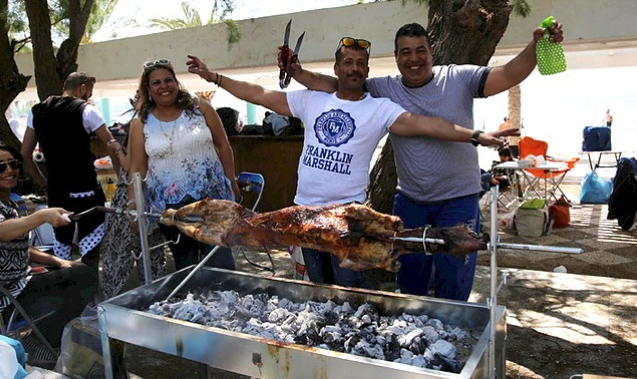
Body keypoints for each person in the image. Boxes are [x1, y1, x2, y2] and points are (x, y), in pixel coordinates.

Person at [187, 37, 514, 288]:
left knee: (350, 294)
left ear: (367, 71)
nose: (354, 68)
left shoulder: (380, 108)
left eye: (360, 63)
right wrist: (214, 76)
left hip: (347, 220)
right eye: (348, 62)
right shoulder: (310, 99)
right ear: (337, 69)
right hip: (304, 214)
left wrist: (475, 136)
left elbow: (426, 124)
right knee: (315, 291)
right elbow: (258, 94)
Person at [283, 21, 563, 300]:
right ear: (396, 57)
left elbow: (508, 74)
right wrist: (297, 72)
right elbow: (337, 84)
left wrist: (534, 47)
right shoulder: (384, 89)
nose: (413, 58)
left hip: (459, 200)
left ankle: (452, 336)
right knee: (410, 280)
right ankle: (413, 338)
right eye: (405, 52)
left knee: (454, 278)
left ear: (432, 52)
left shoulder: (458, 78)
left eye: (420, 51)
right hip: (410, 202)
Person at [0, 139, 97, 347]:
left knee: (75, 270)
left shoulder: (5, 201)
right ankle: (41, 344)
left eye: (13, 164)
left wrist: (60, 262)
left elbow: (19, 247)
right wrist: (42, 217)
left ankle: (48, 340)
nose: (9, 171)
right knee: (85, 278)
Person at [127, 59, 241, 271]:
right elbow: (136, 169)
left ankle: (227, 298)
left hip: (212, 199)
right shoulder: (141, 123)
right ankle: (193, 303)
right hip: (171, 209)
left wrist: (231, 180)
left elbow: (223, 145)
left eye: (168, 80)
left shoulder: (201, 108)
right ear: (148, 90)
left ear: (176, 82)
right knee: (186, 266)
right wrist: (134, 205)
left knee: (219, 262)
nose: (164, 86)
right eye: (156, 83)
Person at [21, 72, 120, 270]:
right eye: (89, 92)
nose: (89, 97)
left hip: (57, 191)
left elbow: (24, 154)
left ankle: (65, 294)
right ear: (83, 89)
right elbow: (111, 145)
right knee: (90, 243)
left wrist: (44, 184)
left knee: (61, 244)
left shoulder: (37, 111)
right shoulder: (86, 110)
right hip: (86, 189)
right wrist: (121, 178)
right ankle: (89, 295)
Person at [100, 92, 167, 299]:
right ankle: (156, 296)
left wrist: (117, 150)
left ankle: (112, 301)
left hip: (134, 194)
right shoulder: (159, 125)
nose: (135, 99)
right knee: (152, 250)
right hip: (152, 195)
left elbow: (130, 166)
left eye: (139, 96)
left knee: (120, 251)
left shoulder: (141, 124)